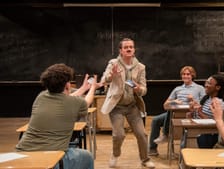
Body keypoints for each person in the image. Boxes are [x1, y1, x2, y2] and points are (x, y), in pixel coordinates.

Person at [16, 63, 103, 169]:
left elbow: (64, 98)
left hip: (22, 155)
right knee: (87, 157)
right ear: (67, 85)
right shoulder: (75, 103)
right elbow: (87, 101)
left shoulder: (41, 96)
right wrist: (93, 87)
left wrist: (83, 89)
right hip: (51, 160)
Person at [100, 38, 155, 168]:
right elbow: (104, 80)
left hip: (132, 106)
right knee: (119, 135)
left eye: (131, 47)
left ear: (134, 50)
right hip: (116, 106)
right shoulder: (113, 63)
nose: (129, 49)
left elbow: (144, 89)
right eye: (126, 47)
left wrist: (139, 89)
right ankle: (115, 155)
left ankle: (145, 159)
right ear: (121, 50)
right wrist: (111, 76)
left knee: (142, 134)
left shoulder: (141, 67)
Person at [148, 66, 205, 156]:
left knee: (170, 113)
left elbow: (203, 105)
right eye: (184, 74)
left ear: (192, 75)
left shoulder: (199, 88)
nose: (185, 76)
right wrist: (173, 101)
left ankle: (165, 134)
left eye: (188, 74)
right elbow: (165, 105)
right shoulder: (177, 89)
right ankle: (152, 149)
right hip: (175, 113)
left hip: (191, 113)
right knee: (156, 120)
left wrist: (193, 100)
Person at [185, 74, 224, 148]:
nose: (206, 85)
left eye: (209, 83)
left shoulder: (219, 102)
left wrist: (200, 113)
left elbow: (217, 122)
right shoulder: (206, 98)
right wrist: (192, 111)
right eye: (206, 82)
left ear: (218, 87)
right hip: (198, 130)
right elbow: (196, 117)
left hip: (208, 134)